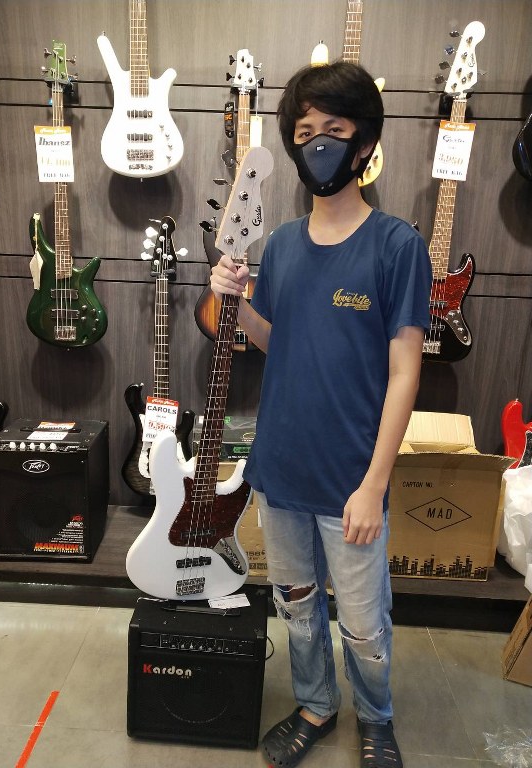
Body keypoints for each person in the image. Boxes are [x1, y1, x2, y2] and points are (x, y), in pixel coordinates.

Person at [210, 60, 432, 768]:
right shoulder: (279, 245)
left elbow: (405, 373)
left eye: (333, 130)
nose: (318, 145)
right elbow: (273, 340)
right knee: (298, 605)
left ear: (364, 143)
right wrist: (232, 298)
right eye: (305, 133)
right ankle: (315, 703)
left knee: (363, 623)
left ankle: (376, 717)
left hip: (351, 479)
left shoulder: (397, 246)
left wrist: (374, 484)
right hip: (280, 469)